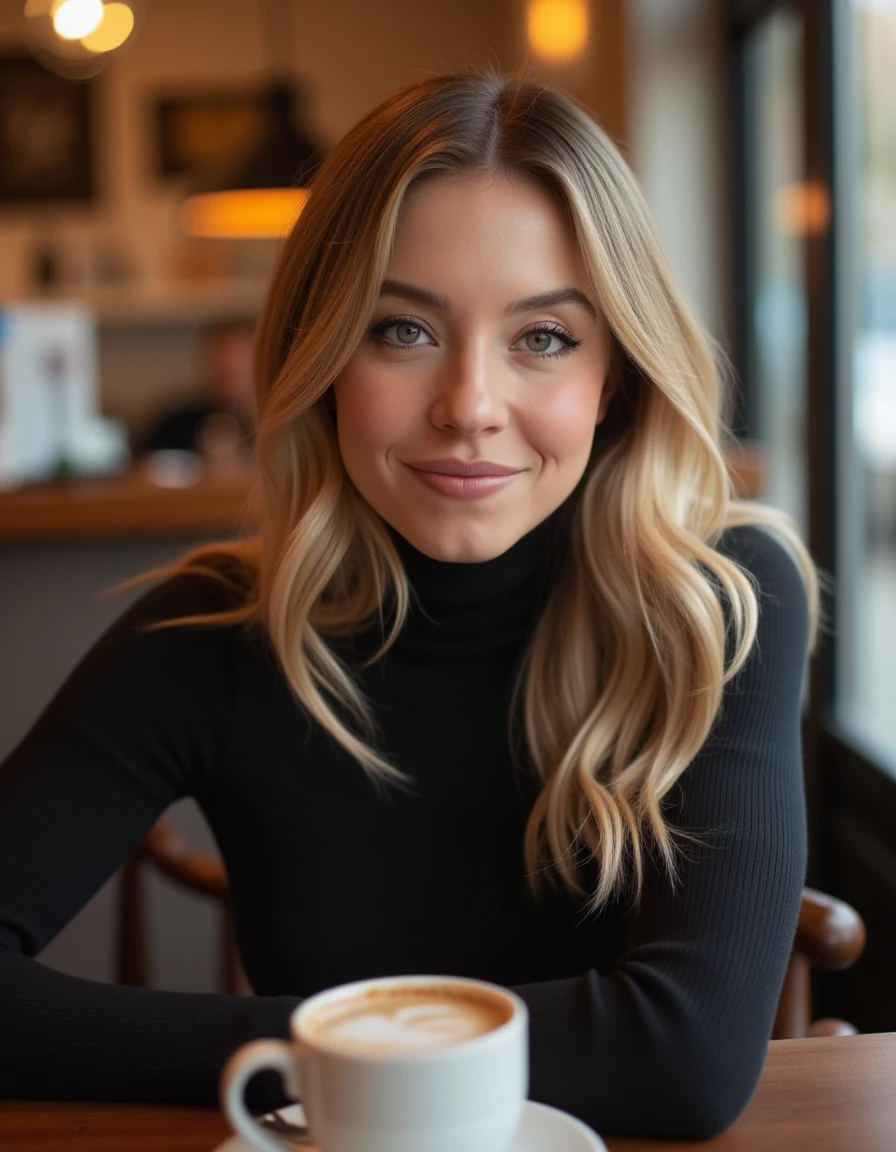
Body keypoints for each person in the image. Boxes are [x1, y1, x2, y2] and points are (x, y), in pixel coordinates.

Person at [0, 74, 817, 1140]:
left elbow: (686, 1059)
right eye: (401, 330)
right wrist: (332, 1058)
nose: (469, 406)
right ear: (321, 352)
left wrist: (310, 1056)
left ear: (613, 377)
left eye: (543, 338)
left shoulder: (720, 596)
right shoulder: (210, 633)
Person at [136, 320, 256, 459]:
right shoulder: (173, 426)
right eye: (223, 373)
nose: (232, 387)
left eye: (240, 375)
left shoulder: (274, 427)